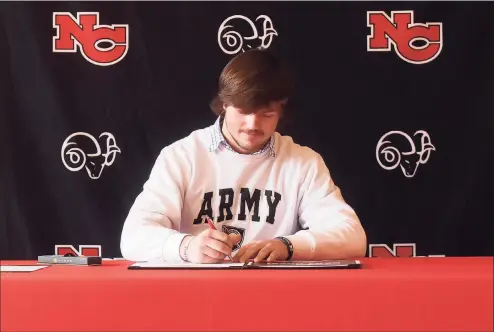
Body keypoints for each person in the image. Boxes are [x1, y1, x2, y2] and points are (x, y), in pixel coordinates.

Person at [120, 49, 367, 264]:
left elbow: (352, 236)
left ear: (282, 110)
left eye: (267, 114)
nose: (252, 124)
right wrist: (186, 247)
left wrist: (288, 247)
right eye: (243, 111)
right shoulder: (182, 156)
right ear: (224, 104)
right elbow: (133, 237)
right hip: (197, 296)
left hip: (274, 296)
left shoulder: (303, 162)